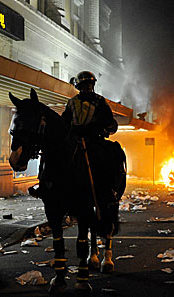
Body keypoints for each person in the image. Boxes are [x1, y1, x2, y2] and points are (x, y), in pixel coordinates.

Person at [61, 71, 118, 289]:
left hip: (94, 141)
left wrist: (100, 129)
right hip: (76, 142)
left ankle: (111, 189)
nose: (86, 88)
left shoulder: (100, 101)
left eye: (89, 85)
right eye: (83, 85)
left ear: (92, 86)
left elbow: (110, 123)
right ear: (78, 86)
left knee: (109, 158)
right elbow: (65, 123)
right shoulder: (71, 103)